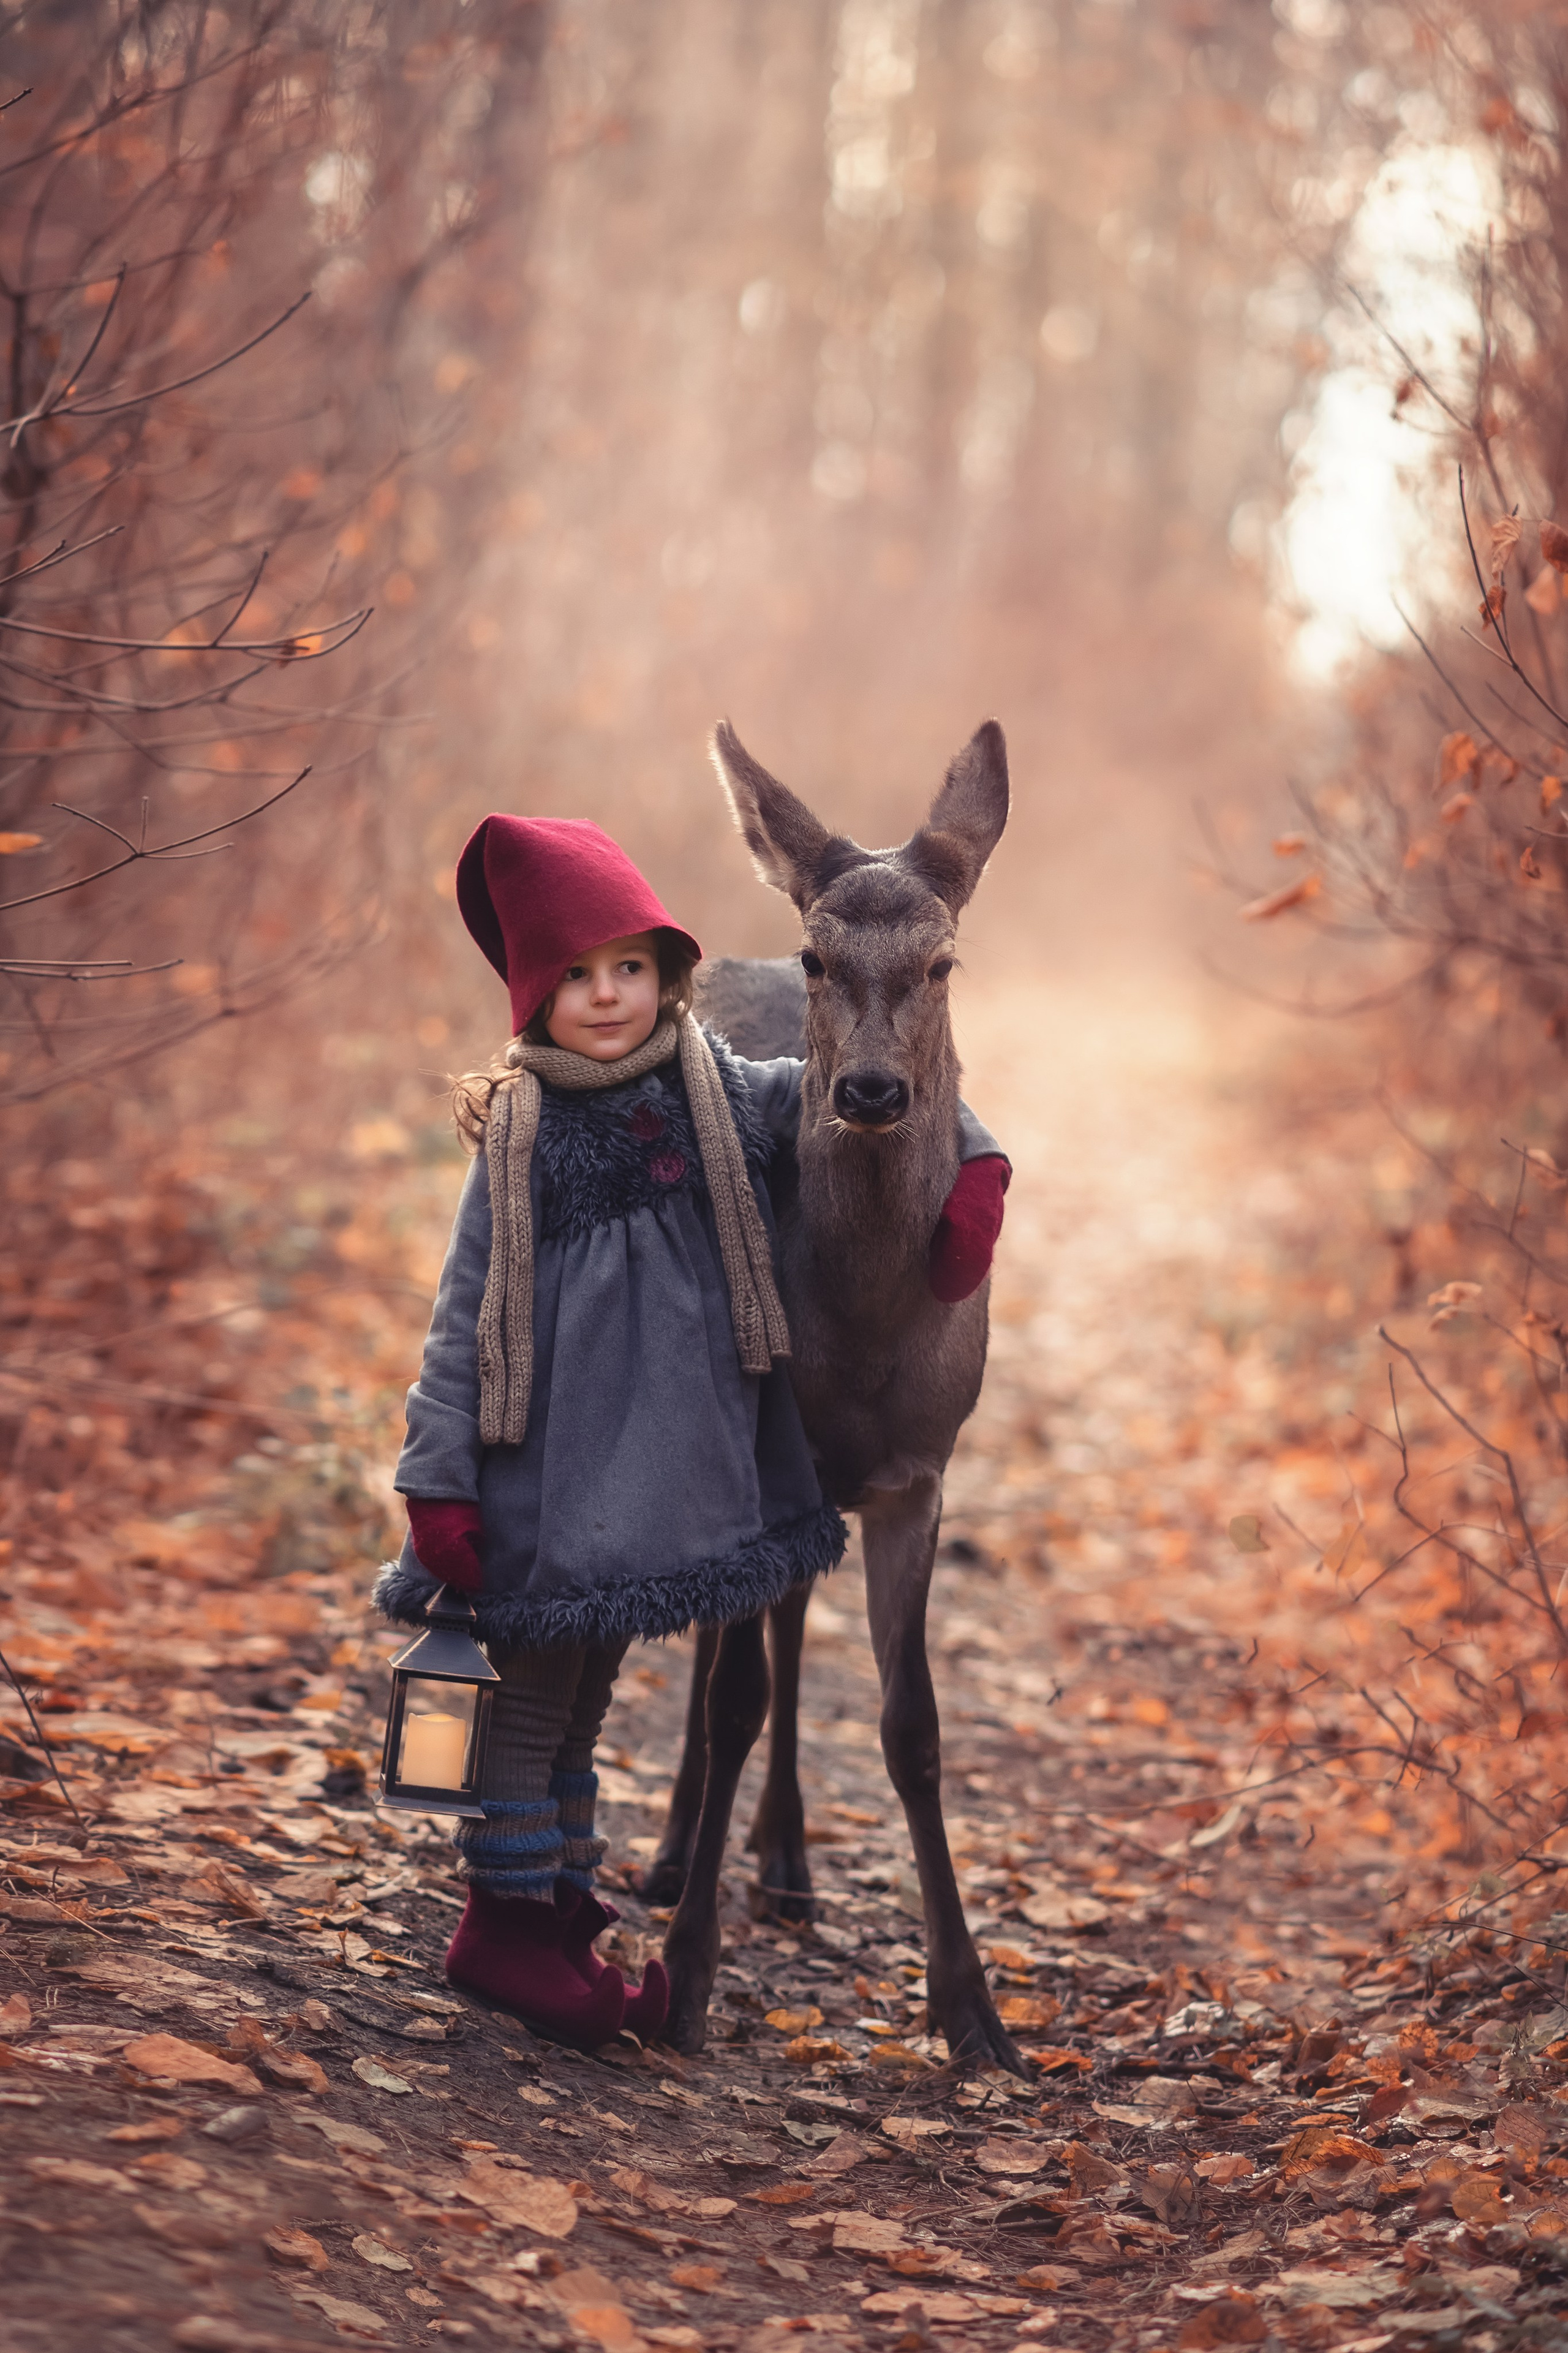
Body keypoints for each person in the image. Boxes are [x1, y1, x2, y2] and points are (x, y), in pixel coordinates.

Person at [376, 813, 1009, 2048]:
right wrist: (436, 1484)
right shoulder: (516, 1141)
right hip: (528, 1483)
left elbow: (852, 1087)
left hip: (636, 1489)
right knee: (514, 1707)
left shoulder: (703, 1087)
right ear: (530, 999)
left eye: (628, 972)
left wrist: (975, 1163)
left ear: (668, 984)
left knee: (579, 1705)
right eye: (574, 978)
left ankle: (553, 1895)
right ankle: (501, 1929)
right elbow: (458, 1328)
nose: (605, 998)